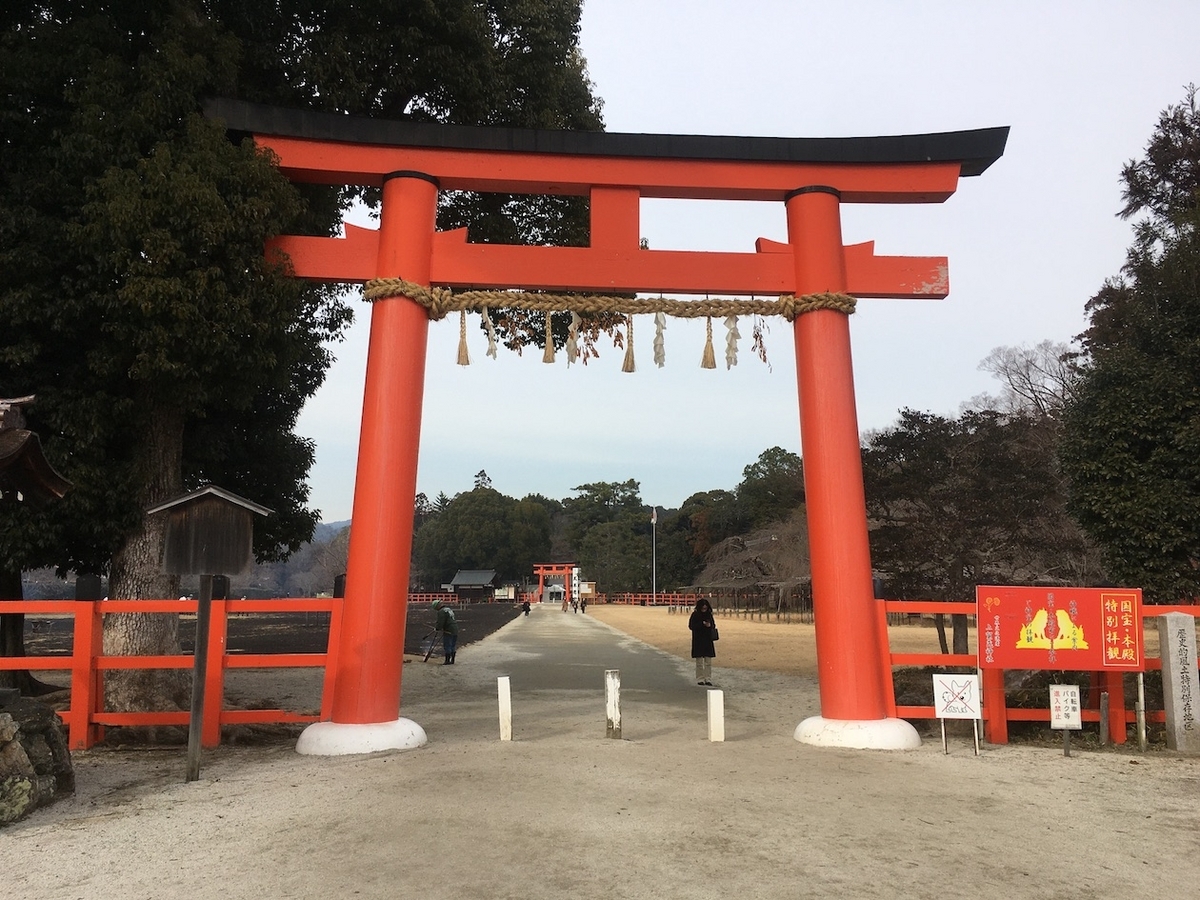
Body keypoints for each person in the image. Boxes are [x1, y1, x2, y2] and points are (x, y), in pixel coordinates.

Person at [688, 597, 717, 686]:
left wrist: (710, 625)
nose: (704, 609)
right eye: (703, 608)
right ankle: (700, 678)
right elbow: (691, 626)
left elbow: (713, 625)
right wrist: (701, 624)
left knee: (708, 662)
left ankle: (708, 678)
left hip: (708, 640)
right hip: (698, 640)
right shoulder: (695, 615)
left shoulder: (709, 615)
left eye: (706, 608)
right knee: (699, 662)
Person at [431, 599, 458, 665]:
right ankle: (452, 660)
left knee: (447, 645)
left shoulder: (441, 612)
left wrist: (437, 628)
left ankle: (447, 661)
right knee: (453, 645)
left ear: (437, 606)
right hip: (455, 629)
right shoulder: (448, 609)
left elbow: (440, 622)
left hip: (448, 630)